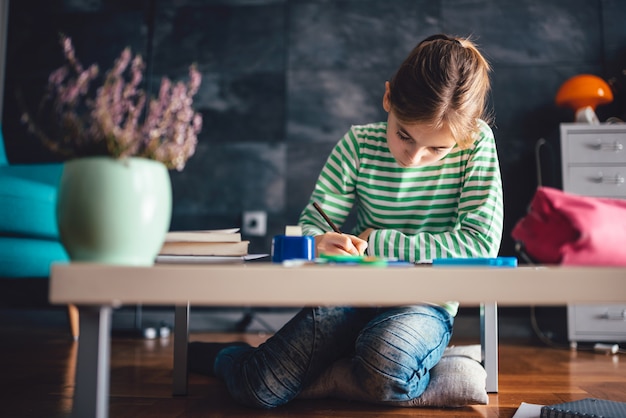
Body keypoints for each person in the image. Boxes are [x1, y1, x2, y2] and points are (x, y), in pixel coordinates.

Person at [188, 33, 503, 409]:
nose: (414, 156)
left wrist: (375, 240)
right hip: (355, 293)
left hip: (425, 303)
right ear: (388, 98)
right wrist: (318, 242)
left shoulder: (477, 143)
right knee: (259, 388)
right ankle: (229, 357)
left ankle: (345, 361)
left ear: (462, 138)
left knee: (385, 365)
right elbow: (311, 226)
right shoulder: (358, 144)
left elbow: (479, 244)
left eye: (437, 149)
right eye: (404, 135)